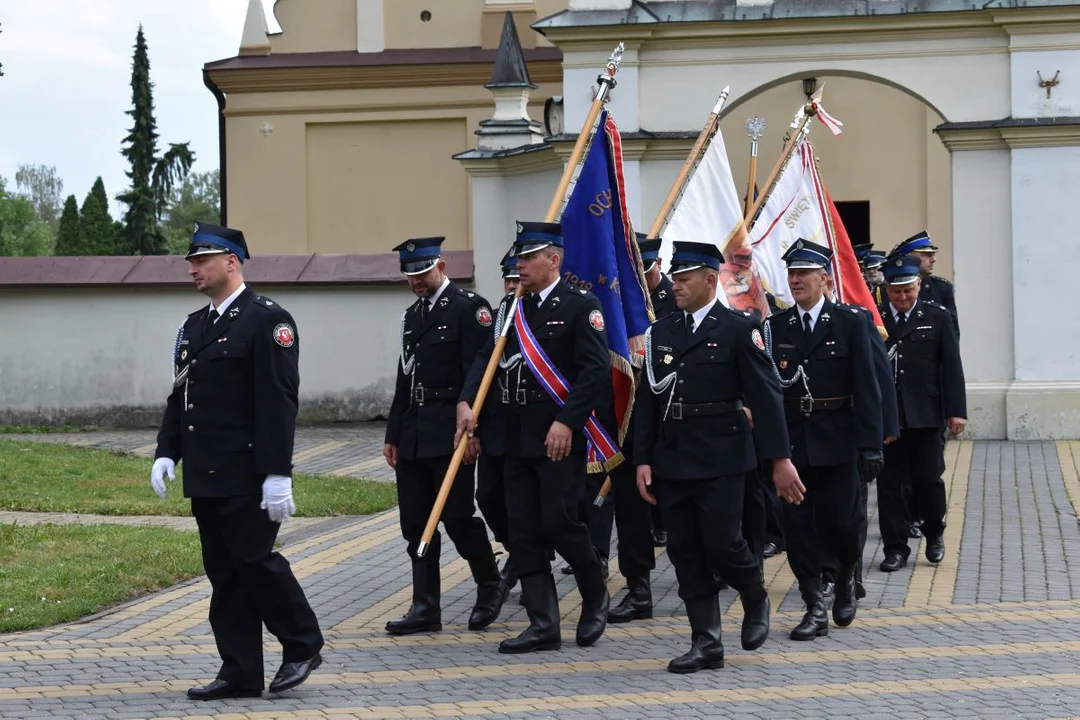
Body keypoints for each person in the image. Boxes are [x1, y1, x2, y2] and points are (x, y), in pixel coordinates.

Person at [151, 222, 323, 700]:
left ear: (232, 262)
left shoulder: (268, 320)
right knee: (225, 573)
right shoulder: (194, 325)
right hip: (206, 470)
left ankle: (303, 643)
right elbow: (180, 396)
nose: (193, 269)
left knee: (254, 560)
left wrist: (277, 473)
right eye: (190, 262)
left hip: (248, 472)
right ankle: (240, 670)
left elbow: (278, 401)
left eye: (202, 260)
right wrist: (167, 451)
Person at [634, 241, 805, 674]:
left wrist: (779, 459)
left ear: (711, 280)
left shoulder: (737, 328)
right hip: (673, 455)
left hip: (722, 455)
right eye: (674, 278)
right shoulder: (662, 332)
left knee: (723, 544)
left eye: (685, 278)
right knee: (684, 549)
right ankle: (706, 641)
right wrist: (643, 459)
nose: (677, 285)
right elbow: (647, 403)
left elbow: (766, 398)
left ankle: (753, 592)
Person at [457, 221, 612, 654]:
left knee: (559, 522)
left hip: (557, 436)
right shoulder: (510, 309)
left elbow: (594, 371)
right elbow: (485, 361)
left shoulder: (582, 305)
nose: (520, 265)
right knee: (522, 529)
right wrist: (466, 402)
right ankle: (543, 623)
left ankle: (595, 593)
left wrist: (568, 421)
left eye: (528, 258)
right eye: (518, 259)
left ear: (553, 260)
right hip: (513, 435)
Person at [382, 237, 506, 636]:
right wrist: (394, 433)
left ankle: (489, 585)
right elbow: (405, 376)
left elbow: (482, 374)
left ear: (441, 265)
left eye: (422, 273)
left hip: (452, 429)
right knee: (416, 522)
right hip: (416, 429)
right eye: (411, 276)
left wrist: (474, 431)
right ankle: (425, 606)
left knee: (455, 515)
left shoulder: (471, 310)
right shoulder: (412, 316)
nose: (417, 282)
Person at [766, 238, 882, 641]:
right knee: (797, 528)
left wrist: (872, 445)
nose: (795, 280)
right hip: (794, 443)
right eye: (791, 274)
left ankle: (847, 575)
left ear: (824, 278)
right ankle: (814, 605)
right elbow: (770, 394)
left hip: (839, 439)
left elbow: (868, 386)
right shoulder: (775, 327)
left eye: (803, 274)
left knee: (843, 524)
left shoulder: (851, 322)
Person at [877, 256, 967, 571]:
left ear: (918, 285)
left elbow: (952, 367)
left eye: (908, 291)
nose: (902, 298)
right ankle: (895, 548)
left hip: (926, 414)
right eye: (895, 292)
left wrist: (956, 412)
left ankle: (933, 533)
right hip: (887, 416)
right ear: (886, 288)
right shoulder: (872, 318)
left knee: (928, 480)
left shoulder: (937, 317)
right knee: (890, 484)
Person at [474, 248, 521, 593]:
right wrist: (467, 408)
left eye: (518, 279)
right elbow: (480, 367)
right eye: (508, 280)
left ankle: (526, 558)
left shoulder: (545, 318)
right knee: (488, 495)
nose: (512, 286)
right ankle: (517, 548)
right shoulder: (495, 319)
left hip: (531, 427)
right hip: (495, 425)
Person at [637, 233, 675, 548]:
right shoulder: (627, 296)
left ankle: (662, 520)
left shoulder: (675, 297)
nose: (642, 276)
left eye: (646, 269)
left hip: (667, 390)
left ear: (659, 265)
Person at [887, 231, 959, 337]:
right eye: (927, 255)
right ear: (908, 256)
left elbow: (952, 334)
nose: (933, 260)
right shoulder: (885, 289)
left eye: (933, 255)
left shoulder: (941, 288)